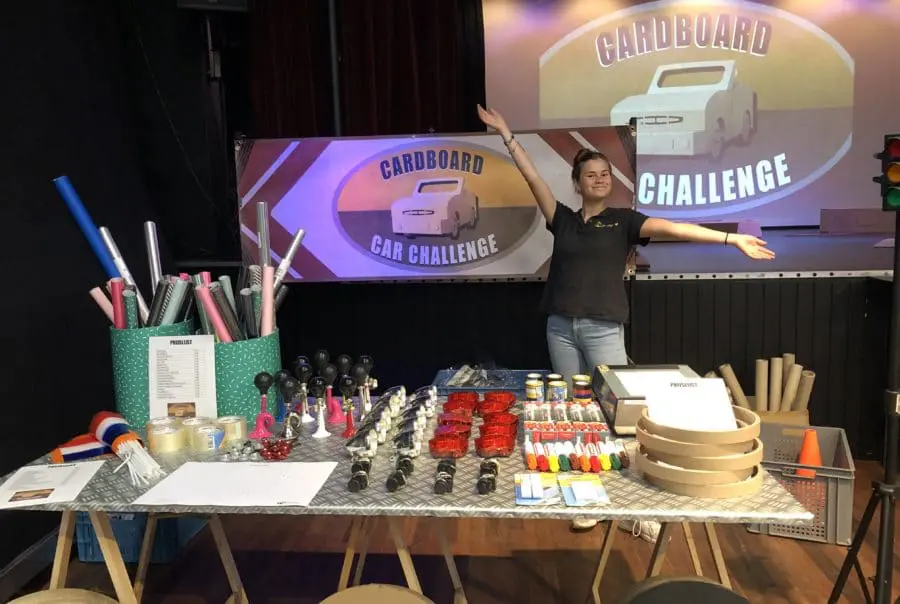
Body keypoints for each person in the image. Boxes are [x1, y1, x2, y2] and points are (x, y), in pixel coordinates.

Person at [476, 105, 774, 538]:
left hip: (603, 330)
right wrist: (506, 133)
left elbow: (677, 229)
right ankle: (587, 495)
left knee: (617, 415)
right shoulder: (562, 220)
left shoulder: (624, 221)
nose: (600, 179)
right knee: (573, 414)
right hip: (560, 328)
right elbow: (532, 177)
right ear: (577, 183)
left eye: (605, 174)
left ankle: (632, 504)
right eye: (591, 175)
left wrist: (731, 239)